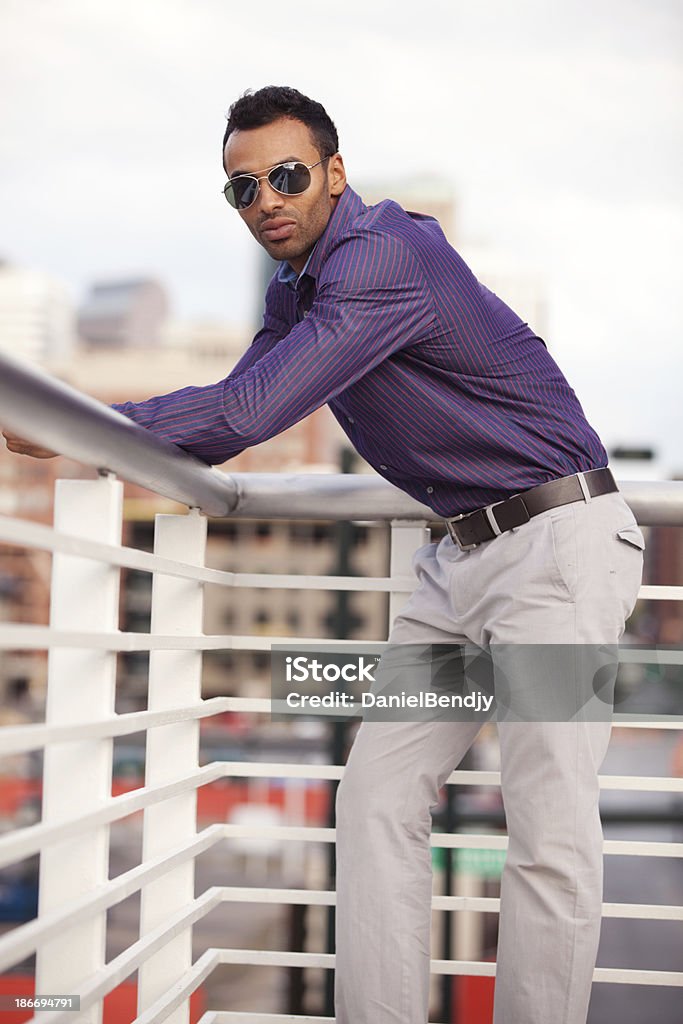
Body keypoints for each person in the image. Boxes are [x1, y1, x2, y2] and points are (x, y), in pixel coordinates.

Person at [3, 86, 645, 1023]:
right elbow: (231, 414)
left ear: (335, 175)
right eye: (242, 188)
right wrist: (105, 430)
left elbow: (253, 415)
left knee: (548, 829)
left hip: (557, 551)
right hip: (457, 566)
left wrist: (71, 426)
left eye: (287, 176)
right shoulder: (295, 288)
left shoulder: (382, 256)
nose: (266, 199)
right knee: (376, 799)